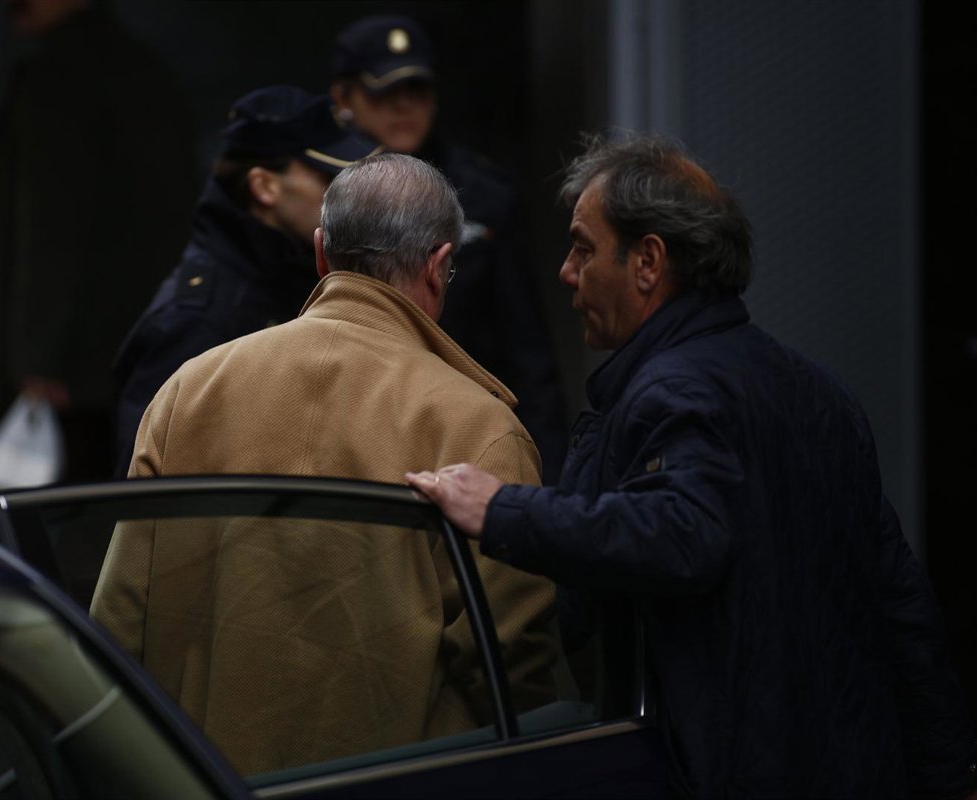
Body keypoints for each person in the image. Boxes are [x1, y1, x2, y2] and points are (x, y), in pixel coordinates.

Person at [407, 133, 977, 797]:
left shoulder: (674, 390)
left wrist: (501, 509)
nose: (567, 271)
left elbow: (682, 533)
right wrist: (949, 772)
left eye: (584, 248)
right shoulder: (817, 388)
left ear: (648, 262)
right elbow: (898, 599)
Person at [92, 153, 557, 774]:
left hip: (208, 781)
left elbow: (120, 620)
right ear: (440, 264)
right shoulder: (481, 429)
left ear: (320, 252)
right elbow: (512, 664)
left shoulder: (189, 391)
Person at [0, 0, 196, 490]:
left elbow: (52, 223)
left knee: (53, 510)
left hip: (68, 366)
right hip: (127, 348)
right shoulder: (138, 66)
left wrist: (37, 357)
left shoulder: (63, 72)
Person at [328, 14, 570, 482]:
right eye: (383, 92)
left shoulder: (484, 194)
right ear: (343, 98)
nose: (403, 106)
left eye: (416, 90)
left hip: (465, 432)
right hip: (349, 425)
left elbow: (526, 345)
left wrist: (550, 480)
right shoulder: (318, 192)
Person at [110, 85, 380, 477]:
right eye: (329, 180)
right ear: (265, 186)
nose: (350, 197)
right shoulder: (199, 320)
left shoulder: (304, 274)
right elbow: (146, 484)